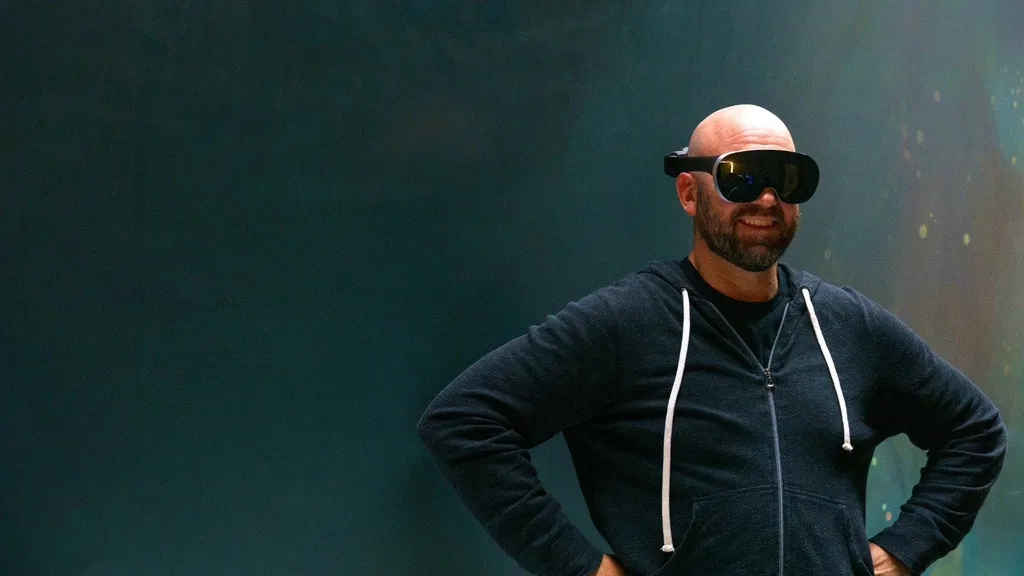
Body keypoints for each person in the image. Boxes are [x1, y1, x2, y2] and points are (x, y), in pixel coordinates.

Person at [417, 105, 1007, 576]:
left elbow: (975, 430)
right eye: (740, 176)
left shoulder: (847, 325)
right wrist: (579, 568)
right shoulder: (628, 323)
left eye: (786, 178)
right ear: (688, 192)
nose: (766, 198)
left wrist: (903, 551)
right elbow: (464, 422)